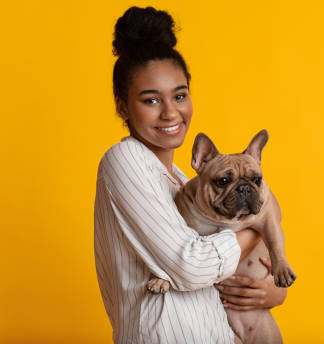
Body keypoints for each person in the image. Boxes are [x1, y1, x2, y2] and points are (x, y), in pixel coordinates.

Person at [94, 6, 286, 344]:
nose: (171, 112)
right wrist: (255, 228)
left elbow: (218, 272)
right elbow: (191, 266)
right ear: (122, 106)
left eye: (179, 95)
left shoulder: (186, 183)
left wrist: (267, 291)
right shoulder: (124, 159)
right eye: (150, 100)